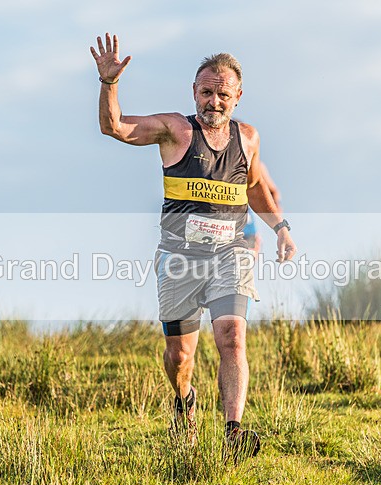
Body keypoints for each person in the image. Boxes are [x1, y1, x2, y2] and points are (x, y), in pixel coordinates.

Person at [90, 33, 296, 460]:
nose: (214, 102)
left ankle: (233, 432)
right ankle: (184, 398)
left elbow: (255, 188)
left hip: (229, 255)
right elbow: (115, 127)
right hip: (180, 260)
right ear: (194, 92)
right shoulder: (175, 130)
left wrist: (281, 228)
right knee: (179, 355)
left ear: (238, 96)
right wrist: (109, 84)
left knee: (232, 336)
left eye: (223, 94)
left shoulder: (249, 138)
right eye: (206, 92)